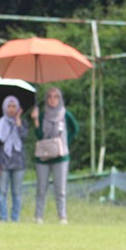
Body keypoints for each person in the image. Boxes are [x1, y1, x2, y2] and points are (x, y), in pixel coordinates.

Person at [31, 86, 79, 224]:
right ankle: (38, 216)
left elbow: (75, 129)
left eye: (55, 96)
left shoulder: (65, 115)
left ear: (60, 99)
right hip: (43, 156)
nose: (52, 100)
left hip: (61, 157)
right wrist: (35, 121)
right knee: (41, 187)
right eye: (49, 97)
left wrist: (64, 143)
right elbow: (39, 135)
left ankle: (62, 216)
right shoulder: (42, 115)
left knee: (60, 188)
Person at [0, 95, 28, 222]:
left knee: (17, 192)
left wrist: (18, 123)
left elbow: (24, 137)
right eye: (9, 106)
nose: (11, 109)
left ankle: (15, 218)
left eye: (14, 106)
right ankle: (3, 217)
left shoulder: (22, 122)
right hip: (3, 162)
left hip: (18, 162)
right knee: (2, 191)